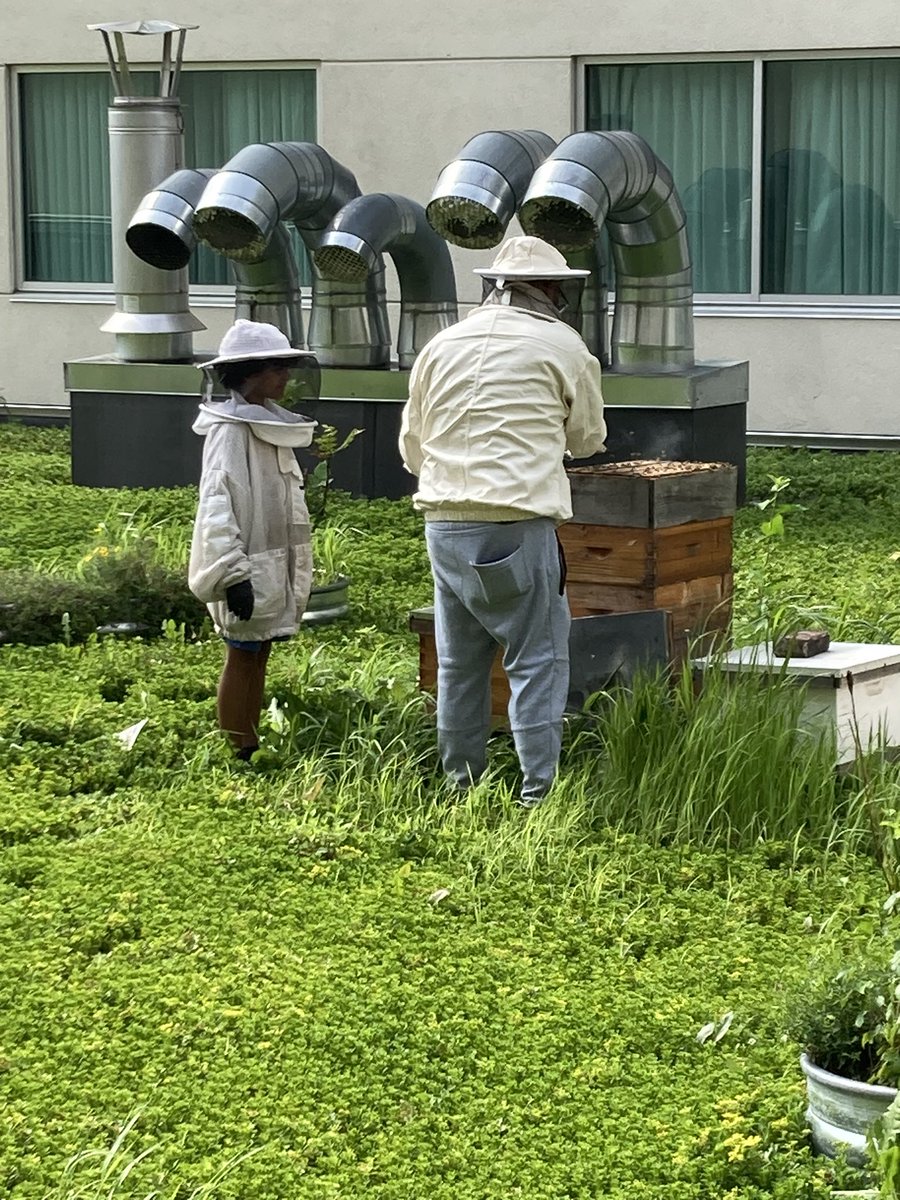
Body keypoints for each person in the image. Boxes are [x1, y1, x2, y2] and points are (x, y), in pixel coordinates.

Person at [399, 235, 606, 805]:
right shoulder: (563, 345)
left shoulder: (441, 344)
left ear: (497, 285)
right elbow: (588, 438)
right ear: (552, 288)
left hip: (442, 521)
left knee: (460, 663)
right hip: (515, 523)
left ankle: (458, 786)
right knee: (536, 660)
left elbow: (412, 446)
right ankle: (537, 795)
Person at [188, 319, 318, 760]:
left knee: (257, 652)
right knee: (242, 655)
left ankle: (249, 740)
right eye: (277, 368)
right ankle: (237, 749)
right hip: (246, 566)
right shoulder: (230, 430)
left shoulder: (268, 424)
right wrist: (231, 574)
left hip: (267, 562)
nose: (285, 378)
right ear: (251, 373)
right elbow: (217, 507)